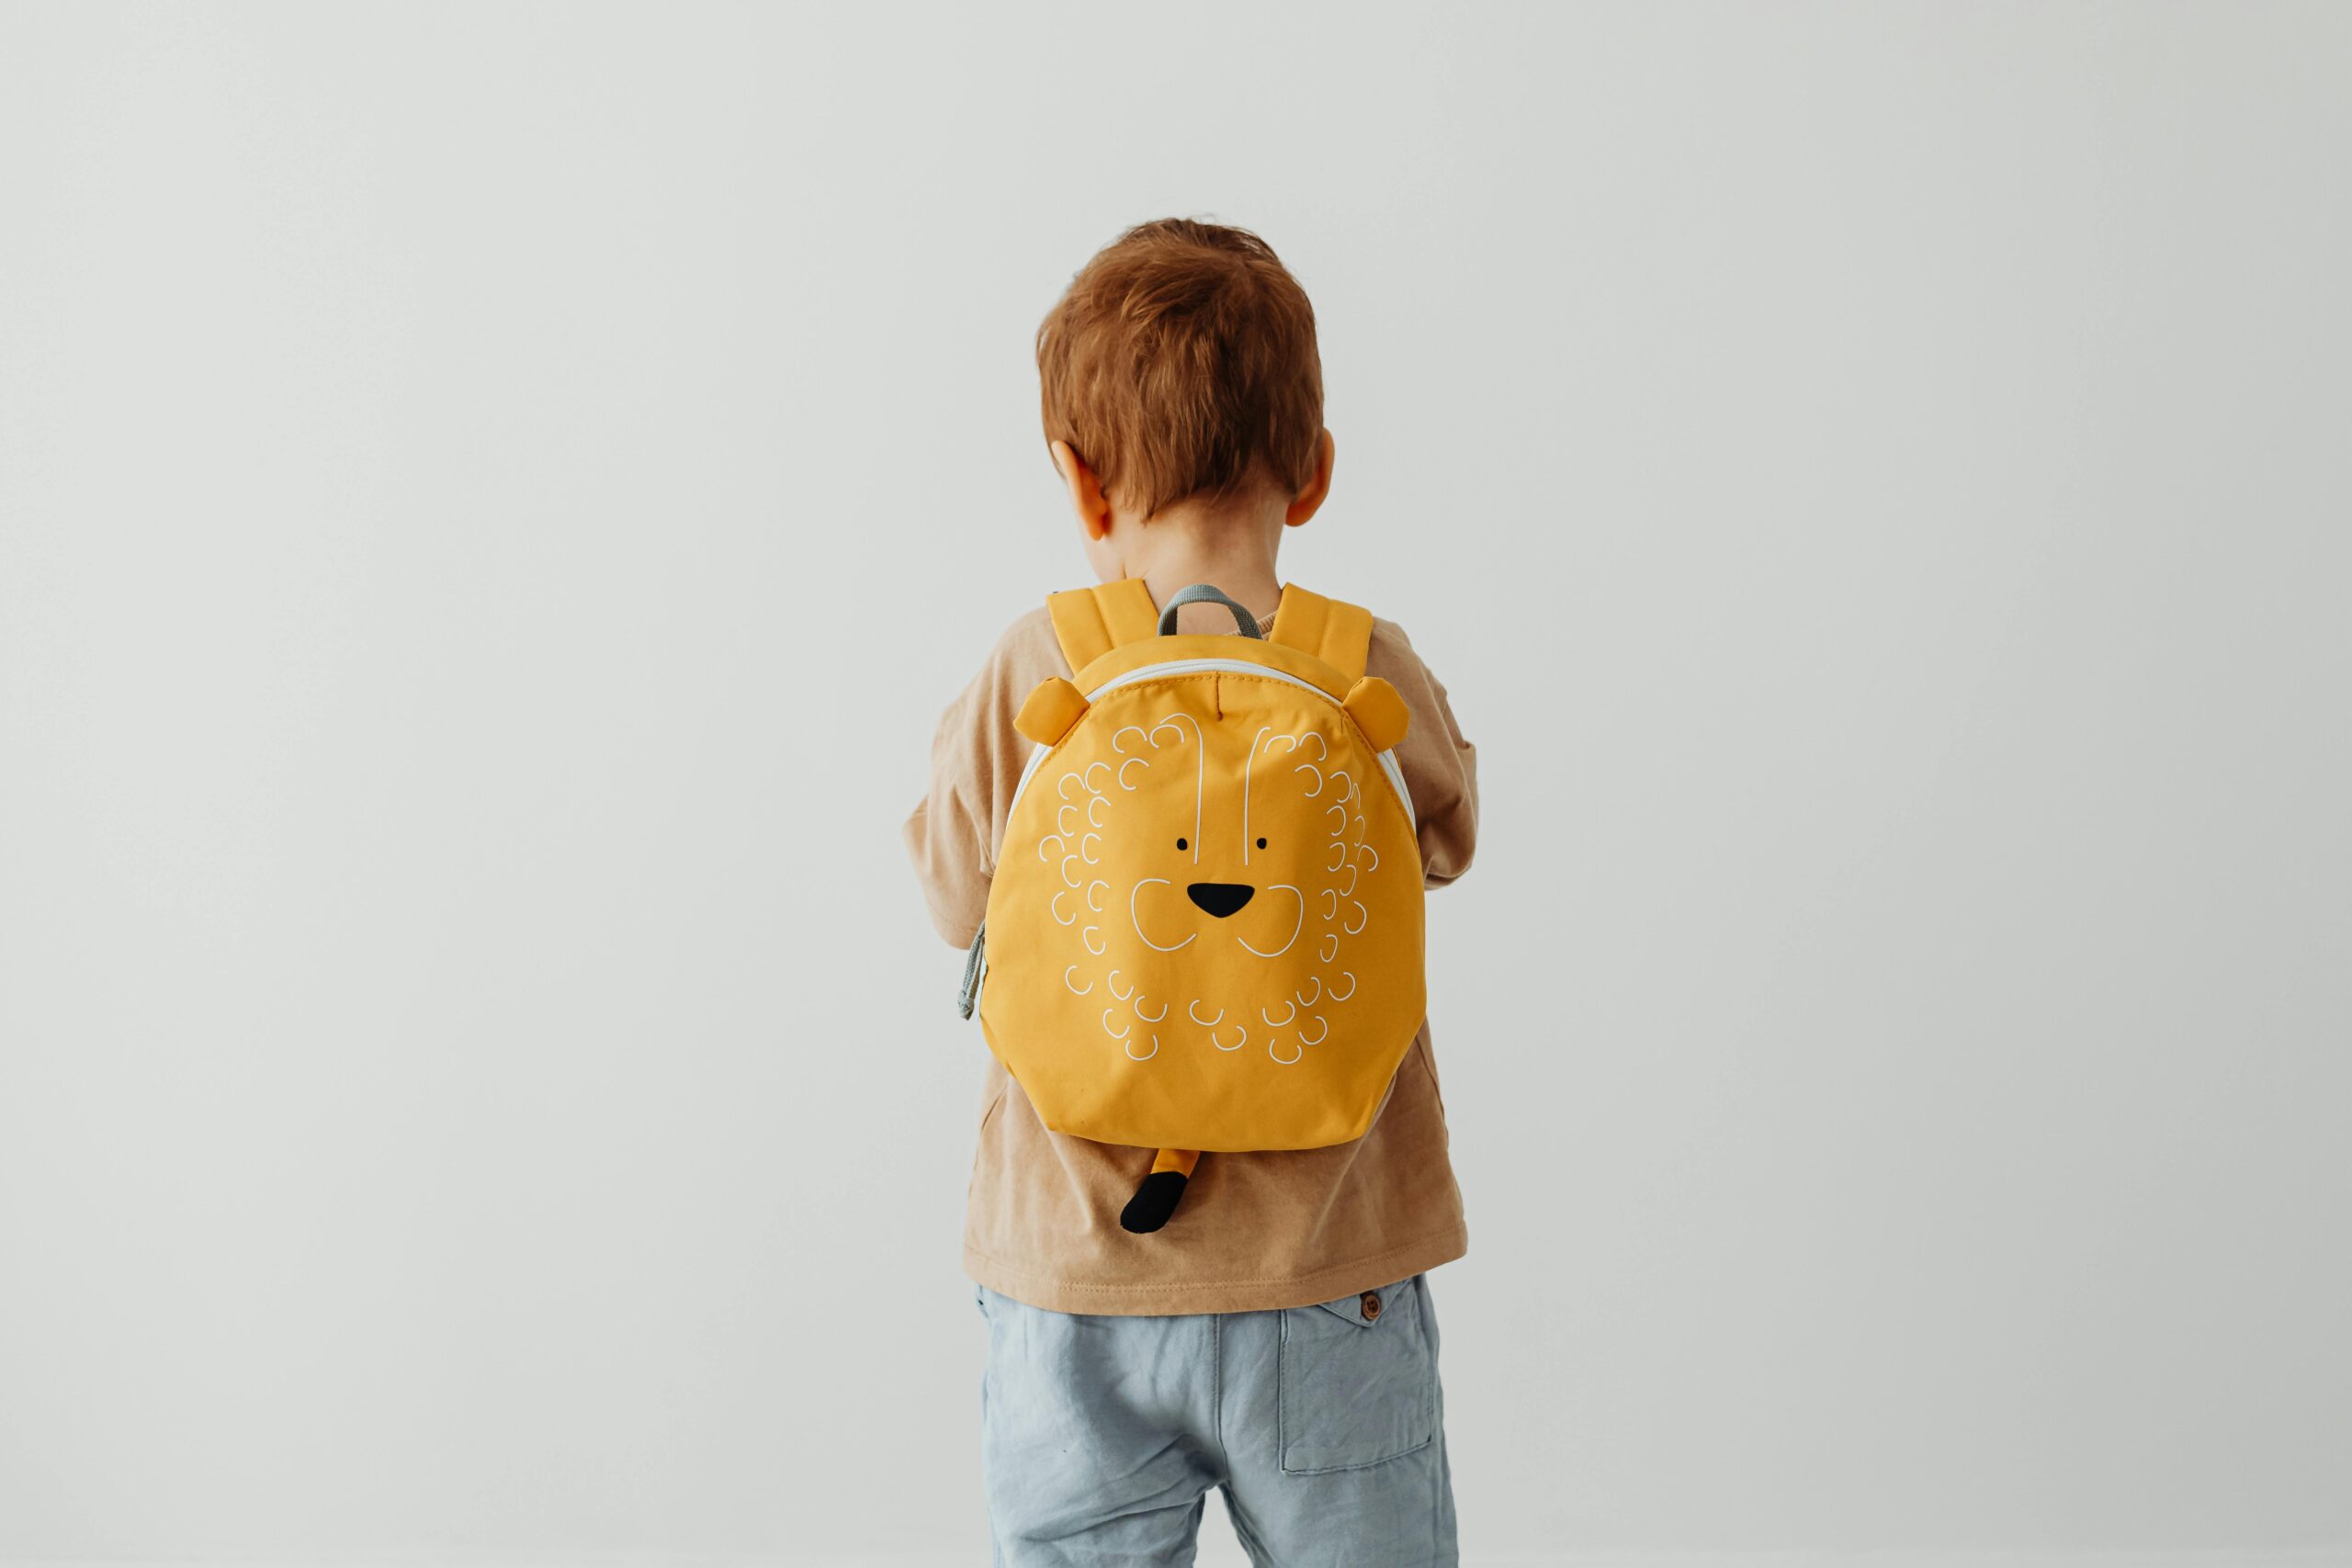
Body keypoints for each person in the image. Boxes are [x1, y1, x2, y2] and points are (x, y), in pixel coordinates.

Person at [904, 218, 1479, 1566]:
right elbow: (1445, 842)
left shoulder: (1034, 665)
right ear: (1316, 473)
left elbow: (951, 897)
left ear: (1081, 482)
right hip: (1334, 1276)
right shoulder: (1361, 662)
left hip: (1073, 1282)